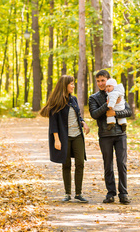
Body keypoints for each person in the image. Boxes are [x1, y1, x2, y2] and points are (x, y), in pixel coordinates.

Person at [40, 75, 90, 203]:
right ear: (65, 85)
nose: (73, 86)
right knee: (66, 164)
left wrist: (83, 122)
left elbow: (78, 115)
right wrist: (57, 139)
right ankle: (67, 193)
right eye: (71, 84)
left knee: (80, 163)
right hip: (64, 137)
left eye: (73, 84)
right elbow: (53, 123)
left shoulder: (73, 99)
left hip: (77, 135)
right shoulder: (56, 102)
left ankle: (78, 193)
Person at [89, 70, 132, 204]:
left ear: (109, 80)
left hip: (120, 134)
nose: (101, 83)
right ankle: (110, 193)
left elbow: (129, 111)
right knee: (108, 165)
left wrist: (116, 113)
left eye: (103, 80)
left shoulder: (118, 91)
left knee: (122, 164)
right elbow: (94, 114)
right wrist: (107, 105)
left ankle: (123, 194)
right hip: (105, 135)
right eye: (98, 81)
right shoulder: (94, 97)